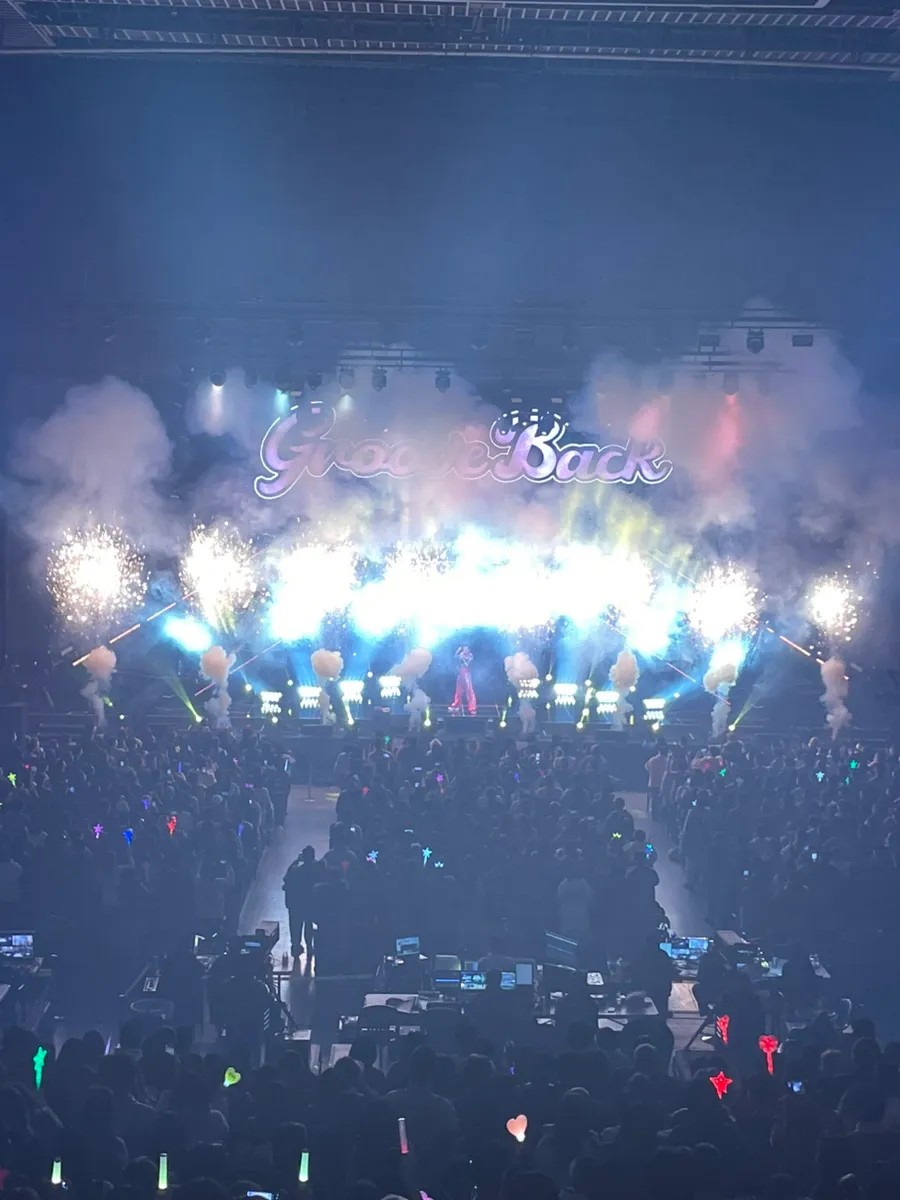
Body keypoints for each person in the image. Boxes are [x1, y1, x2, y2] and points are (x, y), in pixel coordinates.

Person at [282, 845, 321, 959]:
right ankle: (309, 947)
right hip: (310, 902)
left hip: (296, 903)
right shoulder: (317, 869)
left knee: (295, 927)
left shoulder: (297, 870)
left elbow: (286, 878)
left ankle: (296, 947)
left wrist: (296, 861)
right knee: (308, 925)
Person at [645, 741, 668, 820]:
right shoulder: (667, 761)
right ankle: (660, 815)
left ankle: (654, 816)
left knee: (654, 800)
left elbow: (646, 767)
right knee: (661, 800)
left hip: (653, 783)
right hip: (662, 784)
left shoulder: (652, 760)